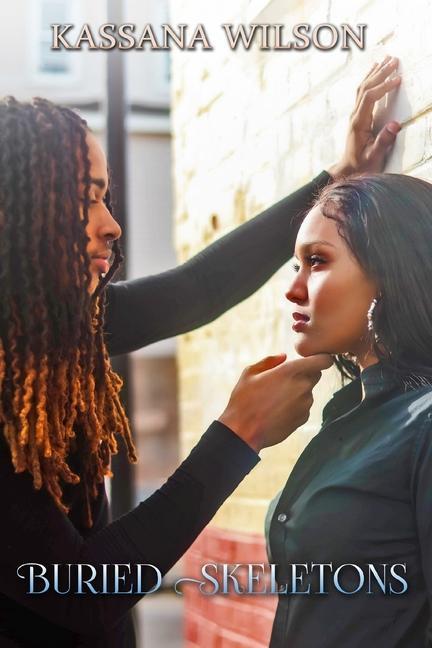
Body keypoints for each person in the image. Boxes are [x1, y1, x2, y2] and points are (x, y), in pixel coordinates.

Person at [0, 56, 399, 647]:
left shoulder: (52, 328)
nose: (111, 225)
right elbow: (77, 590)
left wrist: (335, 177)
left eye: (106, 198)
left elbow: (197, 291)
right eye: (85, 199)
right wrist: (238, 435)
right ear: (18, 212)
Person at [266, 172, 432, 647]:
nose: (293, 290)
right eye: (296, 265)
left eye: (316, 262)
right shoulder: (347, 413)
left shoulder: (424, 424)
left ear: (392, 271)